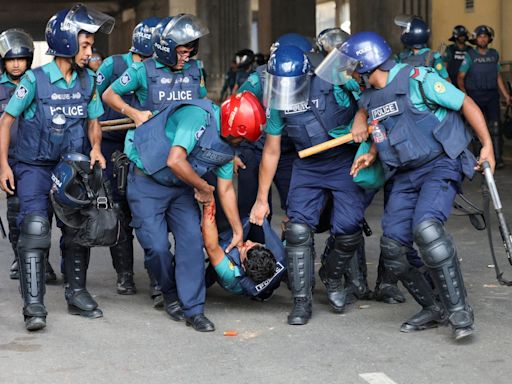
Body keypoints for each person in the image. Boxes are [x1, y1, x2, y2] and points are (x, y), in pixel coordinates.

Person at [336, 31, 494, 340]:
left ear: (368, 65)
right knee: (393, 247)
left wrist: (487, 145)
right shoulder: (369, 96)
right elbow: (386, 124)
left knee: (427, 229)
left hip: (439, 164)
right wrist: (370, 151)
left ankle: (460, 312)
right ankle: (433, 307)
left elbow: (467, 103)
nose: (349, 74)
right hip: (405, 174)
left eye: (353, 67)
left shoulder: (418, 79)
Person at [0, 3, 114, 331]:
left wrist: (95, 147)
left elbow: (94, 121)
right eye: (86, 43)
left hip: (72, 167)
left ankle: (76, 292)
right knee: (35, 230)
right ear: (66, 41)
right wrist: (3, 168)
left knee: (78, 231)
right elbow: (6, 122)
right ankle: (34, 305)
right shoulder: (35, 80)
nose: (90, 50)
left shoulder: (88, 81)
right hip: (33, 168)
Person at [125, 91, 265, 332]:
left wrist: (237, 230)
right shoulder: (197, 117)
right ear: (233, 125)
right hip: (147, 180)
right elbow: (175, 160)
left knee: (191, 242)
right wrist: (202, 187)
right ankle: (169, 292)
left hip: (181, 188)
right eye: (239, 139)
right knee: (156, 247)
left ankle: (194, 309)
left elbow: (226, 188)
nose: (240, 145)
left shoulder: (229, 147)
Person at [250, 45, 368, 325]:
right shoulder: (278, 98)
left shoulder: (335, 78)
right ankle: (301, 302)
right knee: (298, 230)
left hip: (342, 160)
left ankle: (332, 275)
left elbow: (369, 100)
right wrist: (261, 198)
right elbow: (271, 150)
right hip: (308, 165)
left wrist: (361, 118)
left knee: (349, 229)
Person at [102, 14, 208, 306]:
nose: (187, 56)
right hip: (146, 171)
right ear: (164, 47)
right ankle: (166, 288)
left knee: (191, 242)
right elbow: (110, 95)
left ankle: (188, 299)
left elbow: (202, 108)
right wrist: (134, 113)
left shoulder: (195, 70)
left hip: (181, 171)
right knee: (158, 247)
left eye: (191, 50)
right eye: (182, 50)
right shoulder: (142, 71)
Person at [95, 16, 161, 297]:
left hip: (147, 145)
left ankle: (158, 275)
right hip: (114, 146)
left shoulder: (161, 69)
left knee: (147, 209)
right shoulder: (114, 65)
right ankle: (124, 274)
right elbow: (94, 100)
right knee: (119, 209)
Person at [0, 28, 57, 283]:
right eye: (10, 60)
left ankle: (41, 262)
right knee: (15, 214)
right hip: (10, 161)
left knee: (41, 214)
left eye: (20, 59)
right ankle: (21, 259)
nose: (15, 64)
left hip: (37, 160)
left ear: (29, 60)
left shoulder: (40, 83)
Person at [201, 198, 286, 301]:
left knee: (215, 260)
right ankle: (265, 293)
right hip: (267, 284)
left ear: (243, 267)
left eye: (245, 248)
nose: (248, 242)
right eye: (255, 245)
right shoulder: (280, 256)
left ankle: (205, 281)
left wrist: (208, 205)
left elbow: (211, 246)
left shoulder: (230, 274)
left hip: (228, 281)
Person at [458, 25, 511, 169]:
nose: (483, 39)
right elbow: (461, 77)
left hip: (492, 95)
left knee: (495, 127)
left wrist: (506, 95)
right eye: (480, 36)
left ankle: (497, 158)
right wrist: (465, 97)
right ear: (476, 39)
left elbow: (498, 76)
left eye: (485, 36)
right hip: (475, 95)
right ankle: (479, 158)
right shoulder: (470, 55)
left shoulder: (494, 54)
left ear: (489, 39)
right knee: (477, 127)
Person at [394, 15, 450, 80]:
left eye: (404, 30)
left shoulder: (433, 58)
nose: (402, 33)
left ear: (413, 34)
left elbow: (447, 82)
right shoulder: (402, 56)